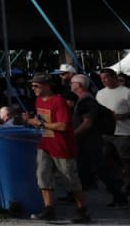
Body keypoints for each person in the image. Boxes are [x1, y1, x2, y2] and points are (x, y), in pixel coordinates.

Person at [23, 73, 90, 222]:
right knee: (43, 176)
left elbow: (63, 125)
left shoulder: (58, 101)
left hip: (62, 146)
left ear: (47, 85)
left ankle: (83, 210)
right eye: (32, 85)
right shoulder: (39, 100)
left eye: (36, 85)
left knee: (70, 179)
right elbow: (41, 121)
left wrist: (40, 124)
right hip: (45, 144)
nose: (33, 88)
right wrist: (30, 120)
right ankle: (49, 209)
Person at [70, 73, 126, 207]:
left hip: (90, 141)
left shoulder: (87, 101)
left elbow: (87, 122)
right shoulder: (83, 99)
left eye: (72, 82)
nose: (70, 85)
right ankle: (75, 195)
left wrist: (73, 134)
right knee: (81, 168)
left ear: (79, 85)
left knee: (101, 169)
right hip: (86, 141)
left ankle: (119, 195)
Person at [96, 68, 130, 194]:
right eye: (101, 78)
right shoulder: (99, 93)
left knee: (125, 160)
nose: (103, 80)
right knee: (106, 160)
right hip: (106, 133)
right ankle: (118, 182)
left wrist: (122, 115)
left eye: (106, 77)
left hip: (123, 132)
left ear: (114, 77)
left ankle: (128, 183)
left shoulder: (126, 92)